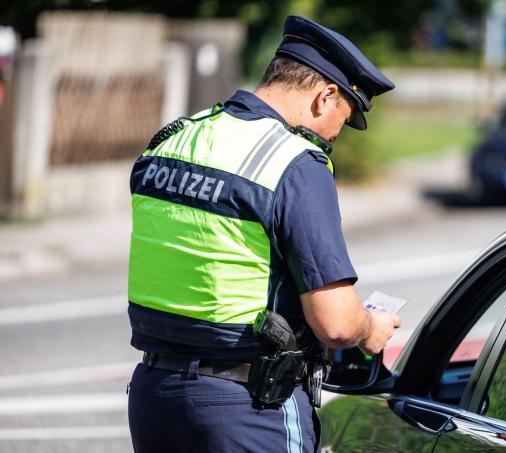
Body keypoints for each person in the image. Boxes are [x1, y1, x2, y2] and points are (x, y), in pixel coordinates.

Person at [126, 15, 400, 453]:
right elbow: (336, 322)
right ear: (325, 96)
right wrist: (369, 329)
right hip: (248, 408)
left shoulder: (175, 139)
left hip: (155, 397)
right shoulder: (293, 164)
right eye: (342, 120)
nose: (334, 138)